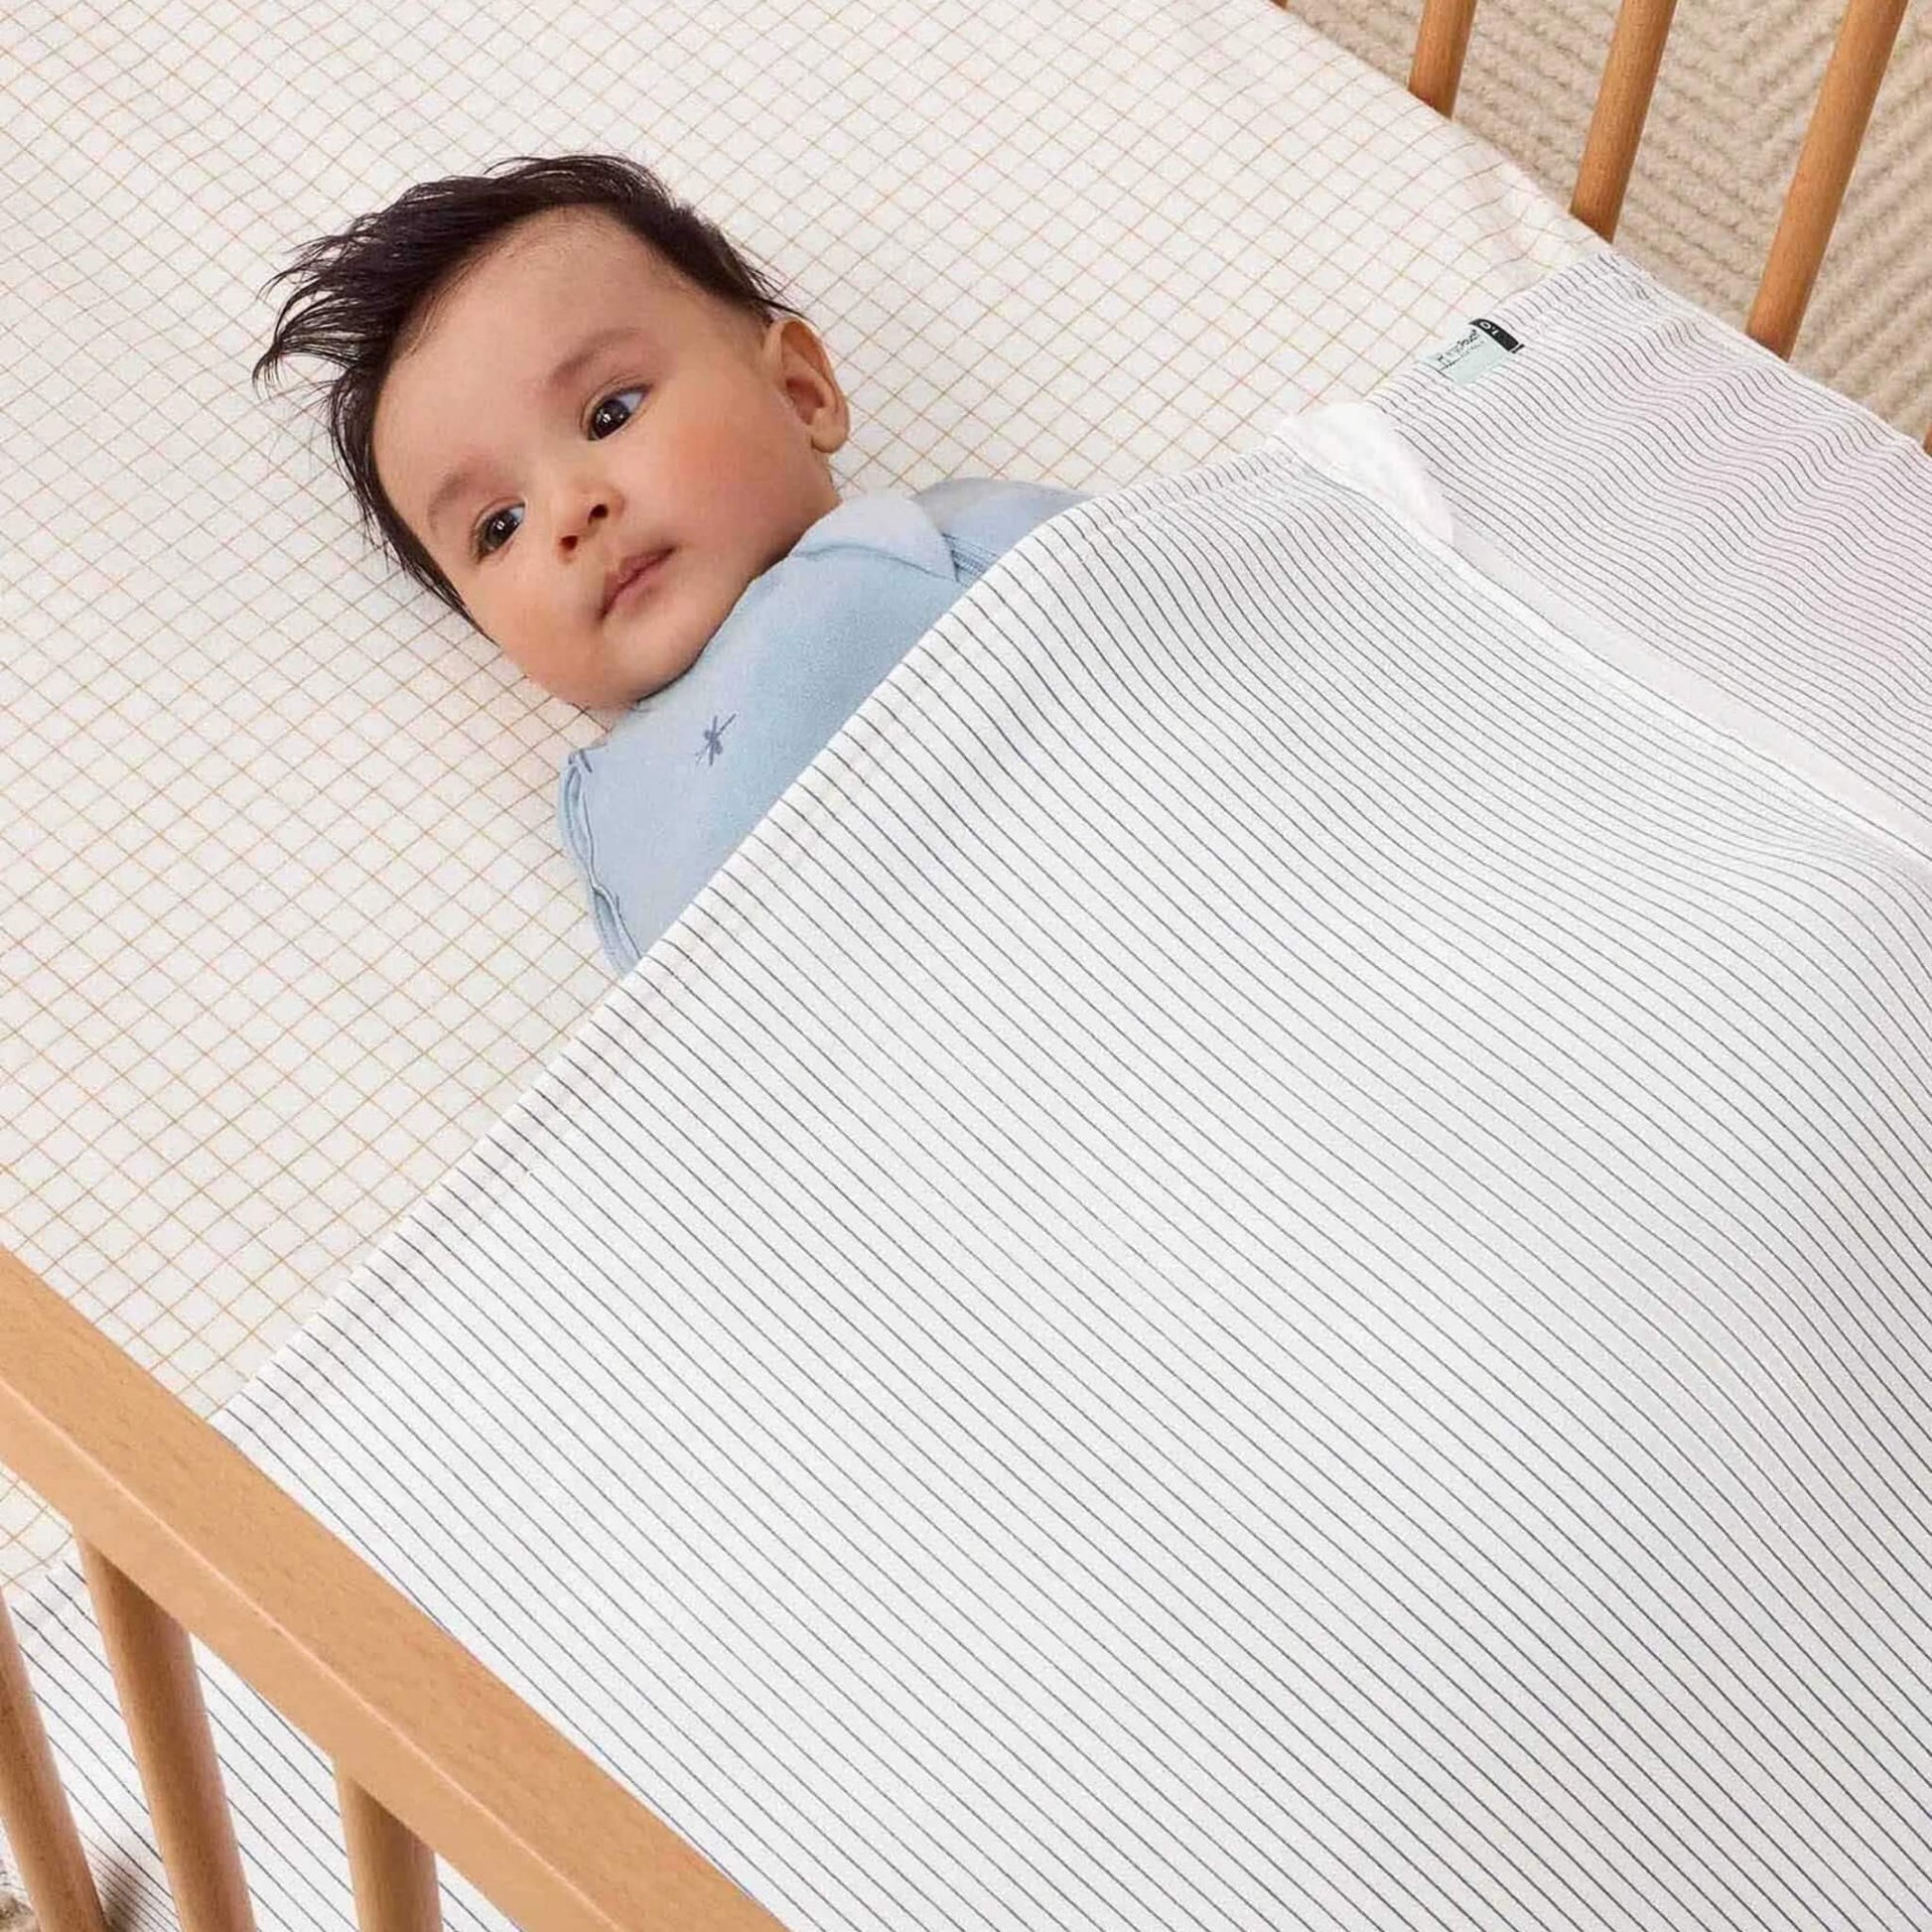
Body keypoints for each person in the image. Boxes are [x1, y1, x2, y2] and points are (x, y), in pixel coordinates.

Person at [251, 152, 1088, 973]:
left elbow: (1177, 603)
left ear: (800, 393)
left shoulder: (942, 542)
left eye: (610, 413)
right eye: (500, 528)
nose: (570, 514)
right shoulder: (609, 819)